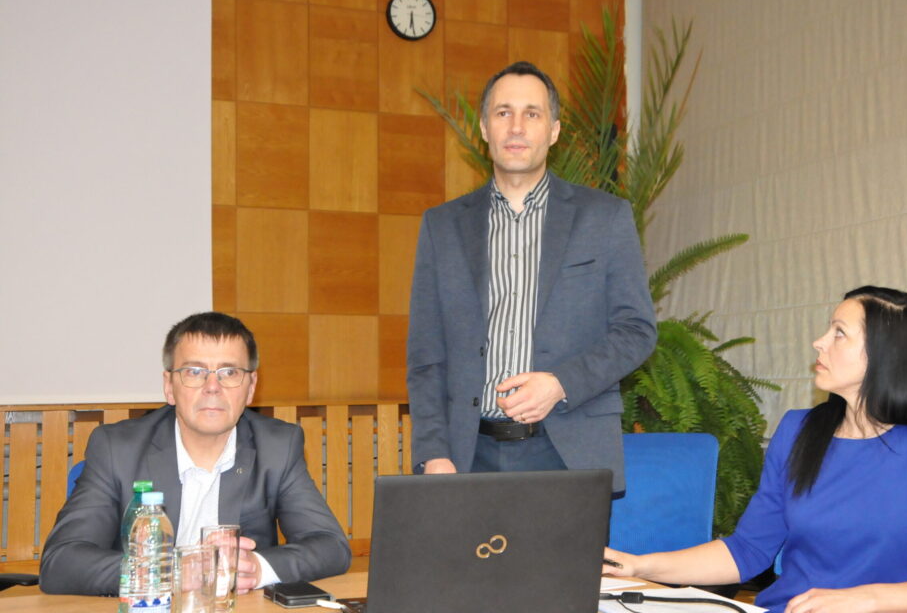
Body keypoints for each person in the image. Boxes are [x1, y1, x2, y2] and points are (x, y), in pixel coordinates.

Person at [604, 286, 907, 613]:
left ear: (886, 354)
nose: (819, 342)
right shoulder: (799, 429)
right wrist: (639, 564)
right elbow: (747, 550)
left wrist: (865, 600)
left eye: (839, 333)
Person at [406, 61, 657, 493]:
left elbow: (637, 330)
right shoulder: (441, 227)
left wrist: (560, 383)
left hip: (569, 454)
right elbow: (426, 355)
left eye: (532, 113)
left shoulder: (606, 218)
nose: (517, 127)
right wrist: (433, 452)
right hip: (467, 457)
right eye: (503, 112)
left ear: (554, 131)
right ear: (485, 128)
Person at [40, 312, 350, 596]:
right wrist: (172, 572)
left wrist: (258, 568)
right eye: (194, 371)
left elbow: (330, 545)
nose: (212, 387)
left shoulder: (278, 447)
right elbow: (60, 563)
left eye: (229, 372)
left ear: (251, 386)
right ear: (169, 386)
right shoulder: (117, 449)